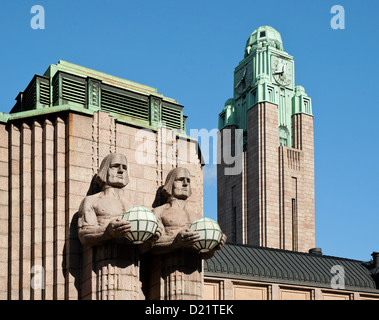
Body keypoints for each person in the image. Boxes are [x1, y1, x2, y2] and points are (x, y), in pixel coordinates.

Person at [151, 167, 226, 259]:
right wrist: (176, 242)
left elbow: (204, 254)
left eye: (188, 181)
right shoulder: (159, 212)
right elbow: (149, 247)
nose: (185, 184)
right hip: (166, 268)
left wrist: (214, 246)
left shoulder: (198, 218)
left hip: (194, 270)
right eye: (180, 180)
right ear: (170, 183)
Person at [77, 153, 133, 246]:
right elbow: (84, 234)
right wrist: (108, 231)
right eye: (115, 166)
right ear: (105, 169)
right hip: (102, 256)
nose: (121, 171)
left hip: (131, 258)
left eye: (124, 168)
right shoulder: (92, 201)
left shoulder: (132, 206)